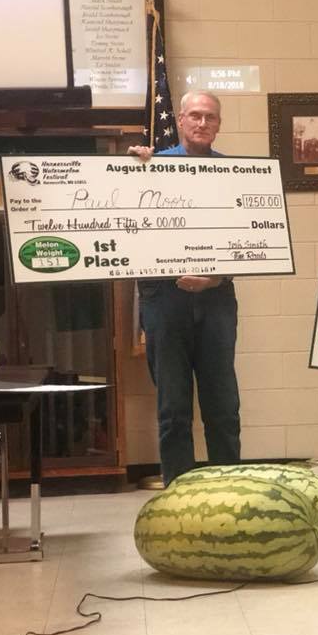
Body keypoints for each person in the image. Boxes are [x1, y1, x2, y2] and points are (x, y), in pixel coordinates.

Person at [128, 90, 240, 485]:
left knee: (222, 405)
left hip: (217, 296)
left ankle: (231, 489)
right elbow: (125, 220)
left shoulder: (235, 174)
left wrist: (216, 277)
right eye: (194, 115)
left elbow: (246, 241)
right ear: (179, 120)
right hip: (164, 298)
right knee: (173, 408)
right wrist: (131, 169)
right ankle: (178, 492)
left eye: (210, 117)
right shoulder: (151, 166)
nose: (202, 123)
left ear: (219, 124)